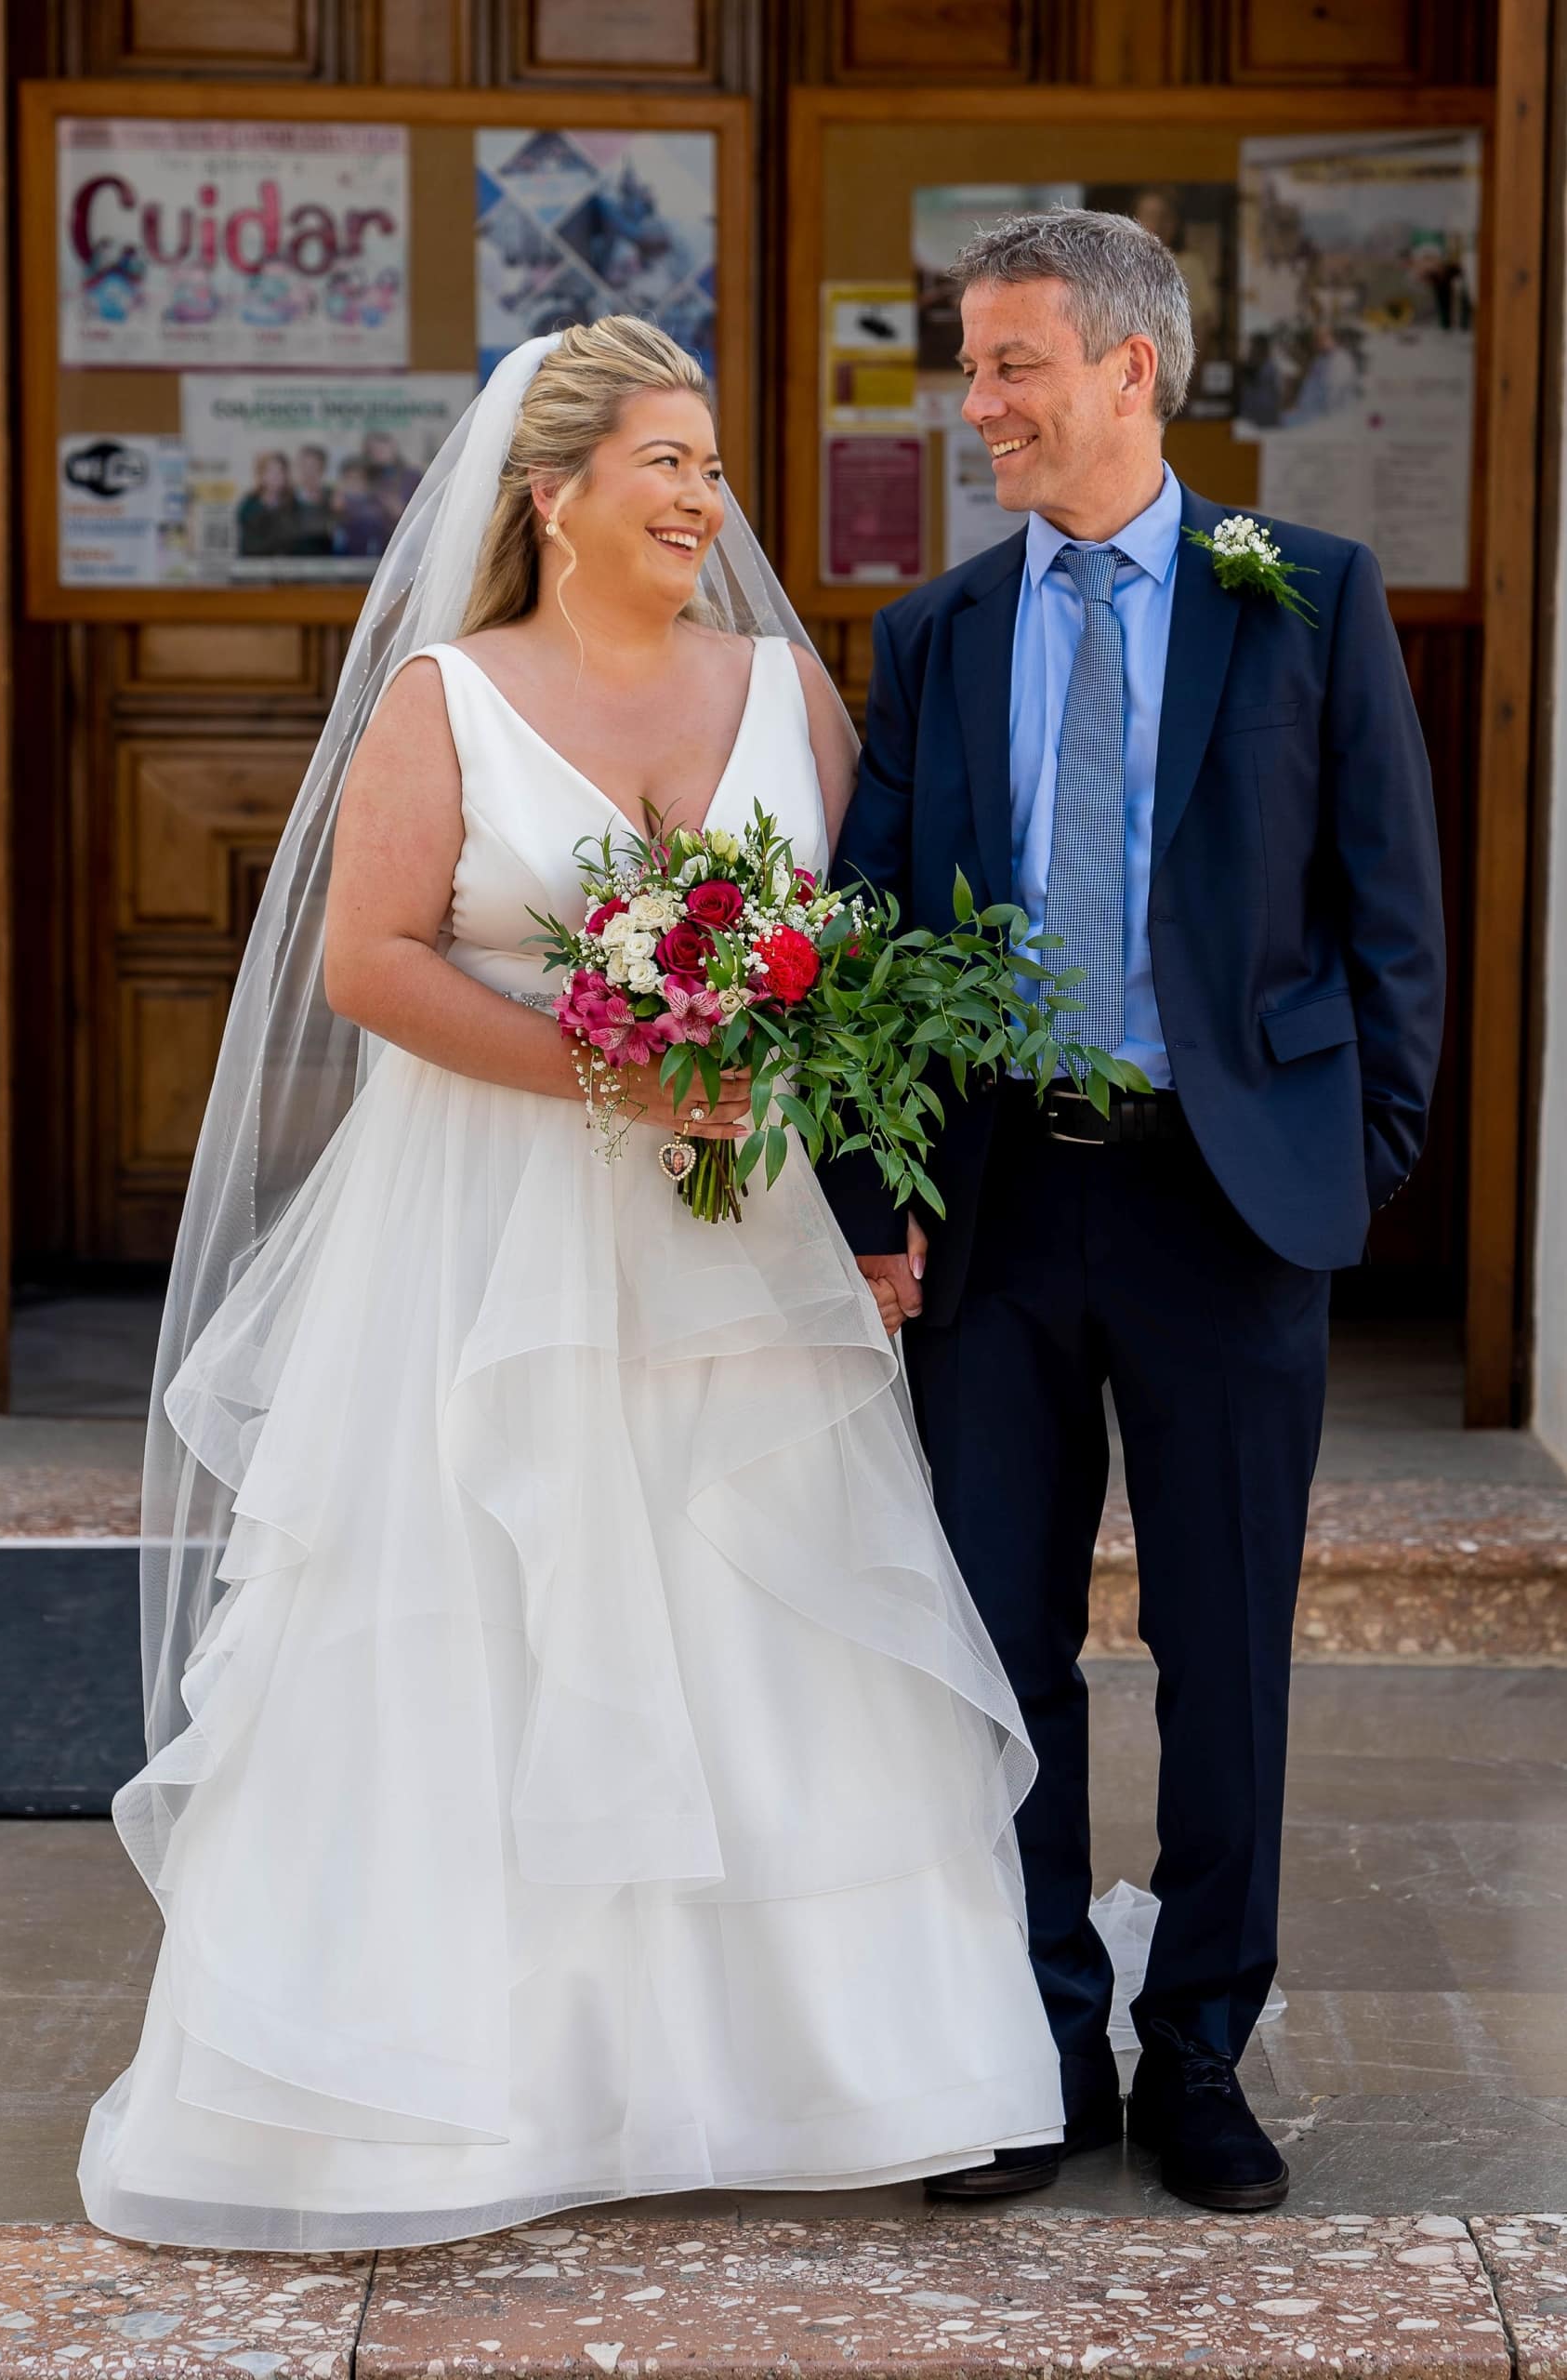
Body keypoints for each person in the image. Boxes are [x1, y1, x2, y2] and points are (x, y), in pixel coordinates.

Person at [77, 315, 1064, 2252]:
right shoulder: (448, 693)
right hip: (485, 1238)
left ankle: (807, 2074)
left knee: (753, 1620)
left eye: (710, 467)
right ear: (552, 494)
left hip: (738, 1242)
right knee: (483, 1617)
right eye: (667, 466)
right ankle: (468, 2085)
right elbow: (369, 960)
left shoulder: (788, 685)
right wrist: (614, 1062)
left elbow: (852, 950)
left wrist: (851, 1177)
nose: (706, 500)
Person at [822, 208, 1444, 2214]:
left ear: (1125, 371)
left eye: (1008, 363)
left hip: (1225, 1205)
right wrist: (866, 1190)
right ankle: (1025, 2042)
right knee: (995, 1648)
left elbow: (1389, 920)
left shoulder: (1302, 594)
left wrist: (1351, 1168)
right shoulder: (934, 634)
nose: (975, 401)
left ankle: (1194, 2052)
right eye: (969, 363)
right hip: (995, 1208)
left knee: (1219, 1651)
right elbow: (869, 924)